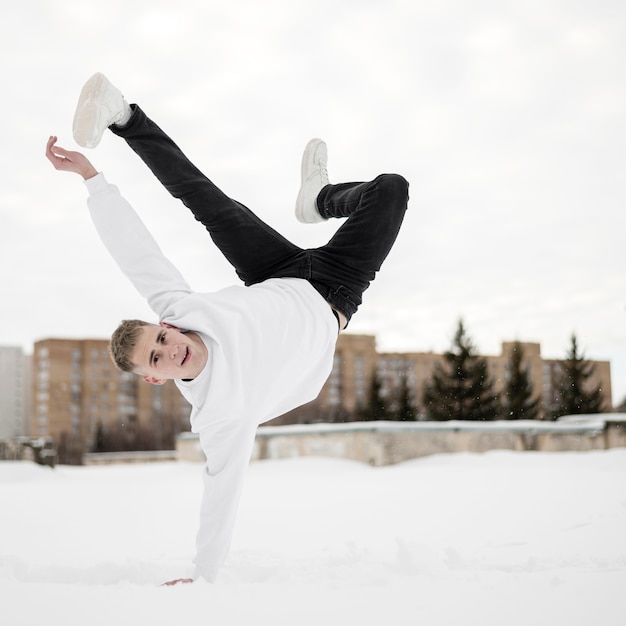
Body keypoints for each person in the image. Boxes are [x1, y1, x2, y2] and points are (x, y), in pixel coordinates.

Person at [46, 73, 409, 585]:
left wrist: (92, 181)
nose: (171, 350)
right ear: (155, 379)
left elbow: (135, 253)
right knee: (392, 190)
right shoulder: (220, 415)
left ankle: (123, 115)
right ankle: (319, 202)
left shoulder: (178, 310)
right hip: (334, 293)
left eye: (162, 339)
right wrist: (203, 573)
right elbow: (221, 491)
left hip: (274, 274)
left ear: (165, 326)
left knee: (208, 203)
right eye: (157, 359)